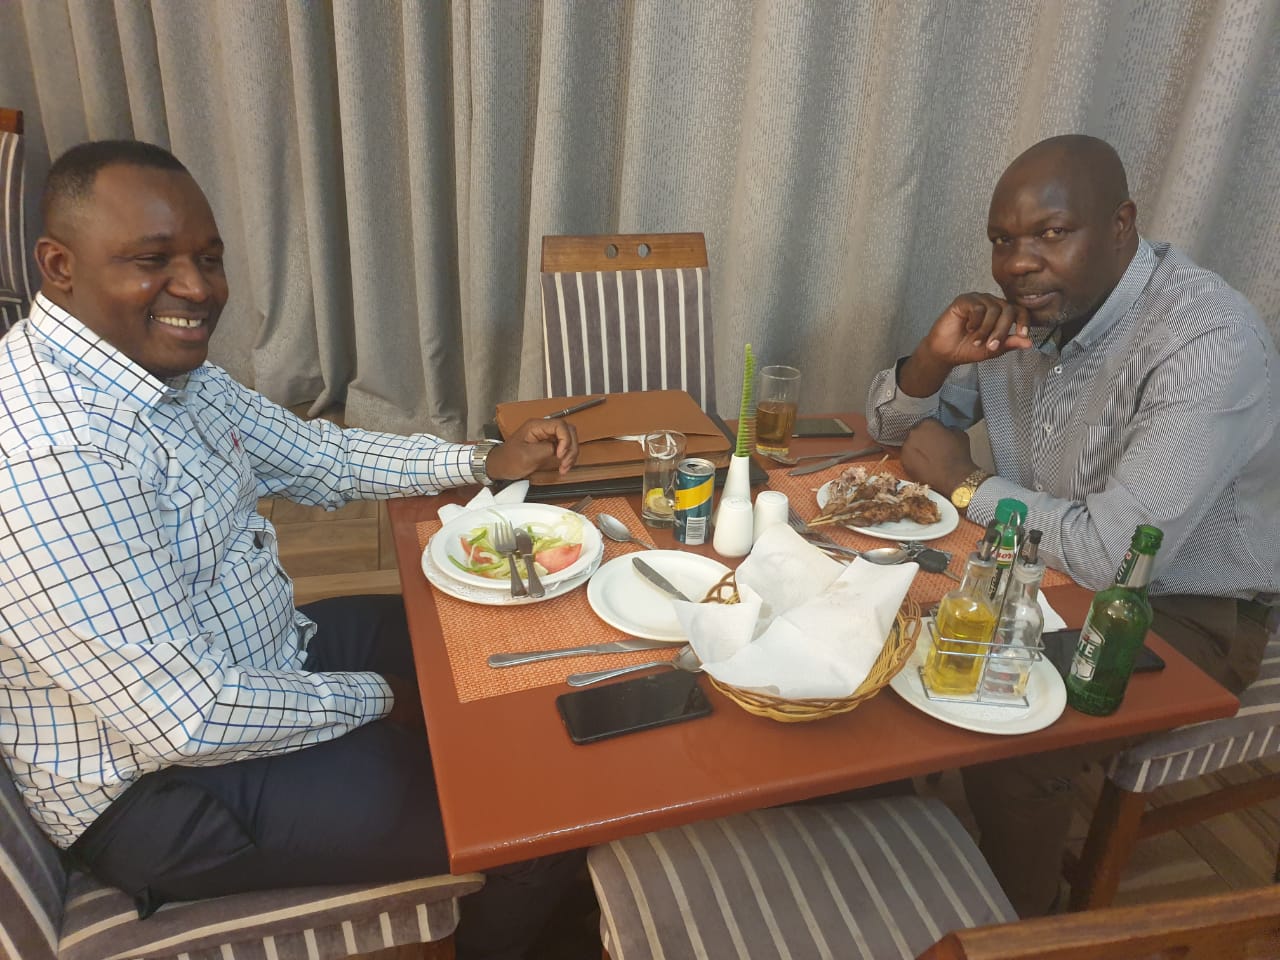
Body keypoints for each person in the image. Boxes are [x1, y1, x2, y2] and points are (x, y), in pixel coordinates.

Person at [0, 140, 584, 959]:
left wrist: (487, 460)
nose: (197, 288)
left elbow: (321, 456)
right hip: (162, 790)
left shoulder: (160, 372)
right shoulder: (51, 457)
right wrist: (383, 699)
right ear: (59, 266)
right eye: (152, 260)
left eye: (209, 258)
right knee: (536, 816)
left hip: (266, 658)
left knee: (489, 643)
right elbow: (190, 719)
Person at [865, 134, 1280, 916]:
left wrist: (964, 484)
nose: (1019, 263)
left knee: (1011, 735)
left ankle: (1027, 926)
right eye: (1003, 240)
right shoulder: (1029, 315)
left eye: (1051, 233)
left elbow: (1113, 557)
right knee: (874, 631)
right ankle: (892, 865)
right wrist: (932, 358)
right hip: (1037, 568)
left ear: (1122, 224)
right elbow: (894, 431)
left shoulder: (1206, 344)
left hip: (1177, 611)